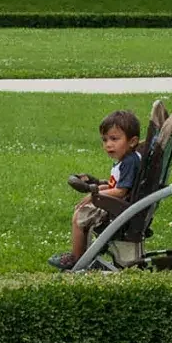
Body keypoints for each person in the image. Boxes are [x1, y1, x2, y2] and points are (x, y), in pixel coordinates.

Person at [48, 109, 142, 270]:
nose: (108, 144)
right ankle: (83, 256)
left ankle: (77, 259)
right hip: (121, 206)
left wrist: (95, 195)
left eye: (114, 139)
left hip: (117, 209)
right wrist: (101, 185)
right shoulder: (127, 158)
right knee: (82, 213)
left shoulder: (128, 162)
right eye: (105, 140)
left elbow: (121, 191)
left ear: (132, 141)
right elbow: (119, 185)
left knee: (79, 217)